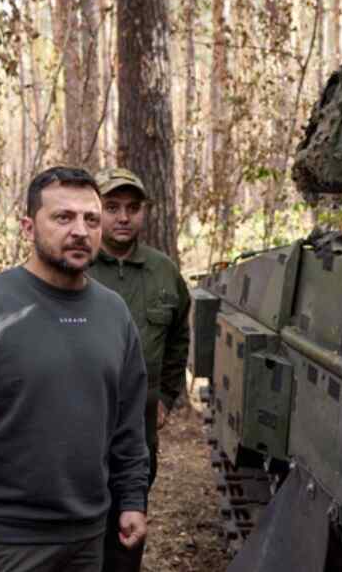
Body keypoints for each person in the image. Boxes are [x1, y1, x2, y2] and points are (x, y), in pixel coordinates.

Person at [0, 167, 150, 572]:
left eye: (91, 219)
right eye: (63, 217)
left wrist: (132, 499)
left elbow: (129, 423)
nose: (80, 231)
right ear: (27, 227)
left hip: (89, 536)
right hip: (3, 541)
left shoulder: (114, 313)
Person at [87, 167, 191, 572]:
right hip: (80, 419)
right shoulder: (77, 264)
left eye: (132, 208)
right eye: (112, 207)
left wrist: (166, 396)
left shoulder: (163, 272)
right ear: (96, 211)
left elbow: (178, 337)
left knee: (128, 519)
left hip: (139, 424)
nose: (123, 217)